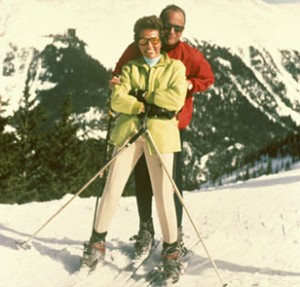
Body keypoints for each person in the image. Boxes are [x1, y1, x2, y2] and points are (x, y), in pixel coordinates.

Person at [82, 15, 187, 283]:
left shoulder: (175, 67)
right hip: (130, 132)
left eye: (154, 40)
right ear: (137, 43)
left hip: (161, 136)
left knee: (164, 194)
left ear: (160, 40)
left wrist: (141, 97)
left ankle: (172, 252)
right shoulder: (130, 69)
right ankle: (97, 242)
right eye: (143, 41)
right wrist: (144, 106)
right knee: (112, 187)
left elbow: (175, 99)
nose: (149, 46)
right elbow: (118, 99)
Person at [110, 5, 215, 257]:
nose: (172, 32)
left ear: (183, 30)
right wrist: (115, 82)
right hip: (139, 125)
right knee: (143, 178)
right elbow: (119, 72)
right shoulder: (138, 47)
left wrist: (189, 85)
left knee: (170, 184)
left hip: (172, 126)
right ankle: (146, 227)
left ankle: (174, 234)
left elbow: (207, 78)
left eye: (178, 28)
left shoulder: (188, 54)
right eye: (167, 26)